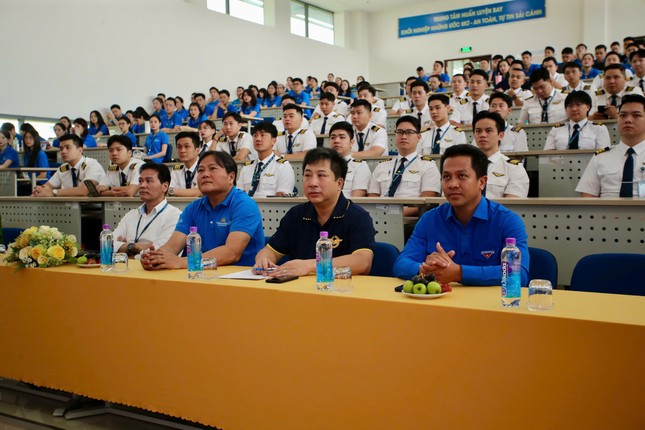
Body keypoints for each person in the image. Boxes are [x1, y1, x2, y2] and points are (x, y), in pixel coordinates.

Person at [393, 144, 530, 285]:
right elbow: (401, 264)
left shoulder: (507, 221)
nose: (452, 184)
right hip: (439, 303)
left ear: (482, 182)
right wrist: (425, 269)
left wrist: (459, 273)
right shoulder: (429, 220)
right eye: (446, 177)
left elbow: (518, 274)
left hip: (487, 304)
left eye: (462, 176)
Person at [253, 147, 375, 277]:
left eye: (321, 175)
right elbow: (271, 251)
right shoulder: (295, 215)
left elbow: (363, 262)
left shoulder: (358, 217)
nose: (312, 183)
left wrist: (310, 266)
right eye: (307, 175)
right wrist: (263, 260)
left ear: (339, 183)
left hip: (341, 291)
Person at [141, 150, 265, 270]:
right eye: (200, 170)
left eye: (213, 168)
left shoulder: (244, 205)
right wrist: (155, 258)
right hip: (199, 276)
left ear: (231, 177)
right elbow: (172, 247)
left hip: (237, 279)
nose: (205, 174)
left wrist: (182, 262)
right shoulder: (193, 208)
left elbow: (231, 253)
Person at [368, 116, 440, 215]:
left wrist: (395, 214)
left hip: (410, 220)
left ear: (419, 137)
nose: (404, 136)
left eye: (409, 132)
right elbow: (373, 197)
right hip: (379, 217)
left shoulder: (428, 166)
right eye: (400, 132)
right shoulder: (382, 165)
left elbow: (427, 202)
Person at [576, 94, 645, 197]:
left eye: (636, 115)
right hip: (606, 213)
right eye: (622, 115)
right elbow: (588, 196)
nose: (628, 120)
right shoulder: (601, 157)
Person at [112, 162, 182, 259]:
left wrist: (125, 249)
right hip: (125, 270)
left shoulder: (175, 216)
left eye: (149, 181)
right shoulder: (131, 215)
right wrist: (135, 247)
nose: (142, 185)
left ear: (165, 187)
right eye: (140, 181)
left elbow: (159, 253)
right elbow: (108, 244)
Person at [472, 111, 529, 198]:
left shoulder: (514, 168)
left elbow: (512, 206)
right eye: (478, 131)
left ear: (501, 135)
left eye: (489, 131)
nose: (483, 135)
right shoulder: (463, 165)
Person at [32, 134, 105, 197]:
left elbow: (84, 191)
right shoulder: (63, 168)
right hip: (68, 209)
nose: (63, 151)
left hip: (92, 210)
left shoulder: (91, 164)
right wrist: (40, 190)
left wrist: (53, 192)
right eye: (61, 148)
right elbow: (48, 186)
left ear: (80, 150)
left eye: (67, 148)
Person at [238, 122, 295, 197]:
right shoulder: (247, 167)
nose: (258, 139)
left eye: (262, 135)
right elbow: (239, 194)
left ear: (273, 141)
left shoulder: (283, 166)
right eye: (255, 135)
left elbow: (281, 198)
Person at [544, 91, 610, 150]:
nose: (574, 109)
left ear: (588, 107)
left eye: (578, 105)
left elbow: (604, 156)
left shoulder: (599, 129)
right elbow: (547, 155)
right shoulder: (556, 129)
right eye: (570, 106)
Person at [328, 122, 371, 197]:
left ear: (351, 143)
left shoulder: (360, 166)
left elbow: (356, 199)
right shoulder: (322, 165)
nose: (336, 141)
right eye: (333, 137)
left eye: (342, 137)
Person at [169, 131, 202, 197]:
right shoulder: (176, 170)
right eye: (179, 147)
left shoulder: (205, 168)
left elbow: (202, 191)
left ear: (197, 150)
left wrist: (172, 191)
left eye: (187, 146)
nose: (182, 151)